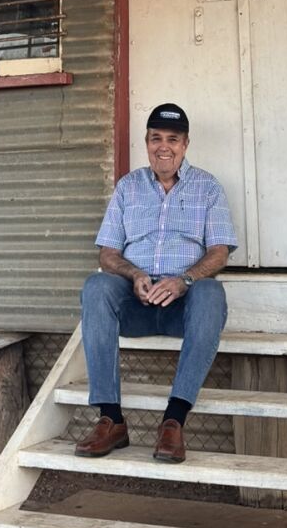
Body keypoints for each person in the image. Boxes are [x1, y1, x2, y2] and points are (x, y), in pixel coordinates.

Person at [77, 102, 236, 464]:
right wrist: (134, 275)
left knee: (212, 292)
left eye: (172, 139)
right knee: (96, 286)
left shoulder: (208, 188)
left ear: (185, 144)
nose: (163, 146)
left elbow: (220, 252)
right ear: (146, 142)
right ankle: (111, 418)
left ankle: (173, 421)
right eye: (155, 138)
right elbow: (107, 254)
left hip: (184, 307)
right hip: (135, 304)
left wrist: (184, 280)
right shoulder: (127, 188)